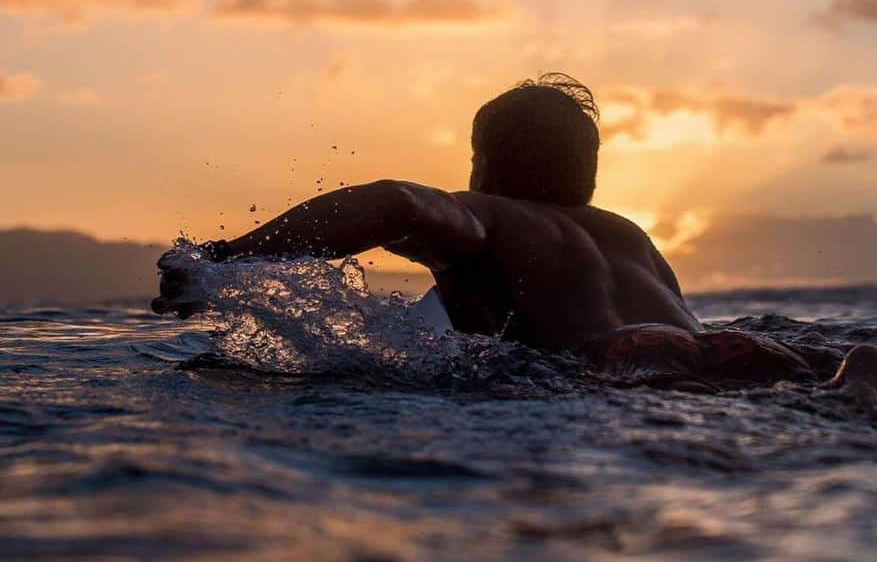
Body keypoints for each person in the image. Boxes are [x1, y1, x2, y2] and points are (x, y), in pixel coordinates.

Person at [154, 74, 812, 390]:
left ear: (486, 164)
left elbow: (393, 203)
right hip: (729, 355)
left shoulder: (490, 215)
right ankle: (857, 383)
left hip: (608, 369)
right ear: (588, 170)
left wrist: (226, 259)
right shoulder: (630, 235)